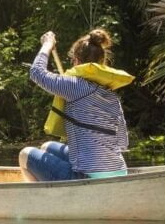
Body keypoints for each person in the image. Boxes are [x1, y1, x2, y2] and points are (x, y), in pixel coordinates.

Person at [19, 29, 131, 182]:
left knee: (25, 154)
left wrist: (48, 44)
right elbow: (123, 142)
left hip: (89, 177)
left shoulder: (75, 85)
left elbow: (36, 72)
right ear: (101, 64)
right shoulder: (111, 95)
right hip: (119, 171)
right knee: (47, 146)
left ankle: (41, 196)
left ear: (76, 61)